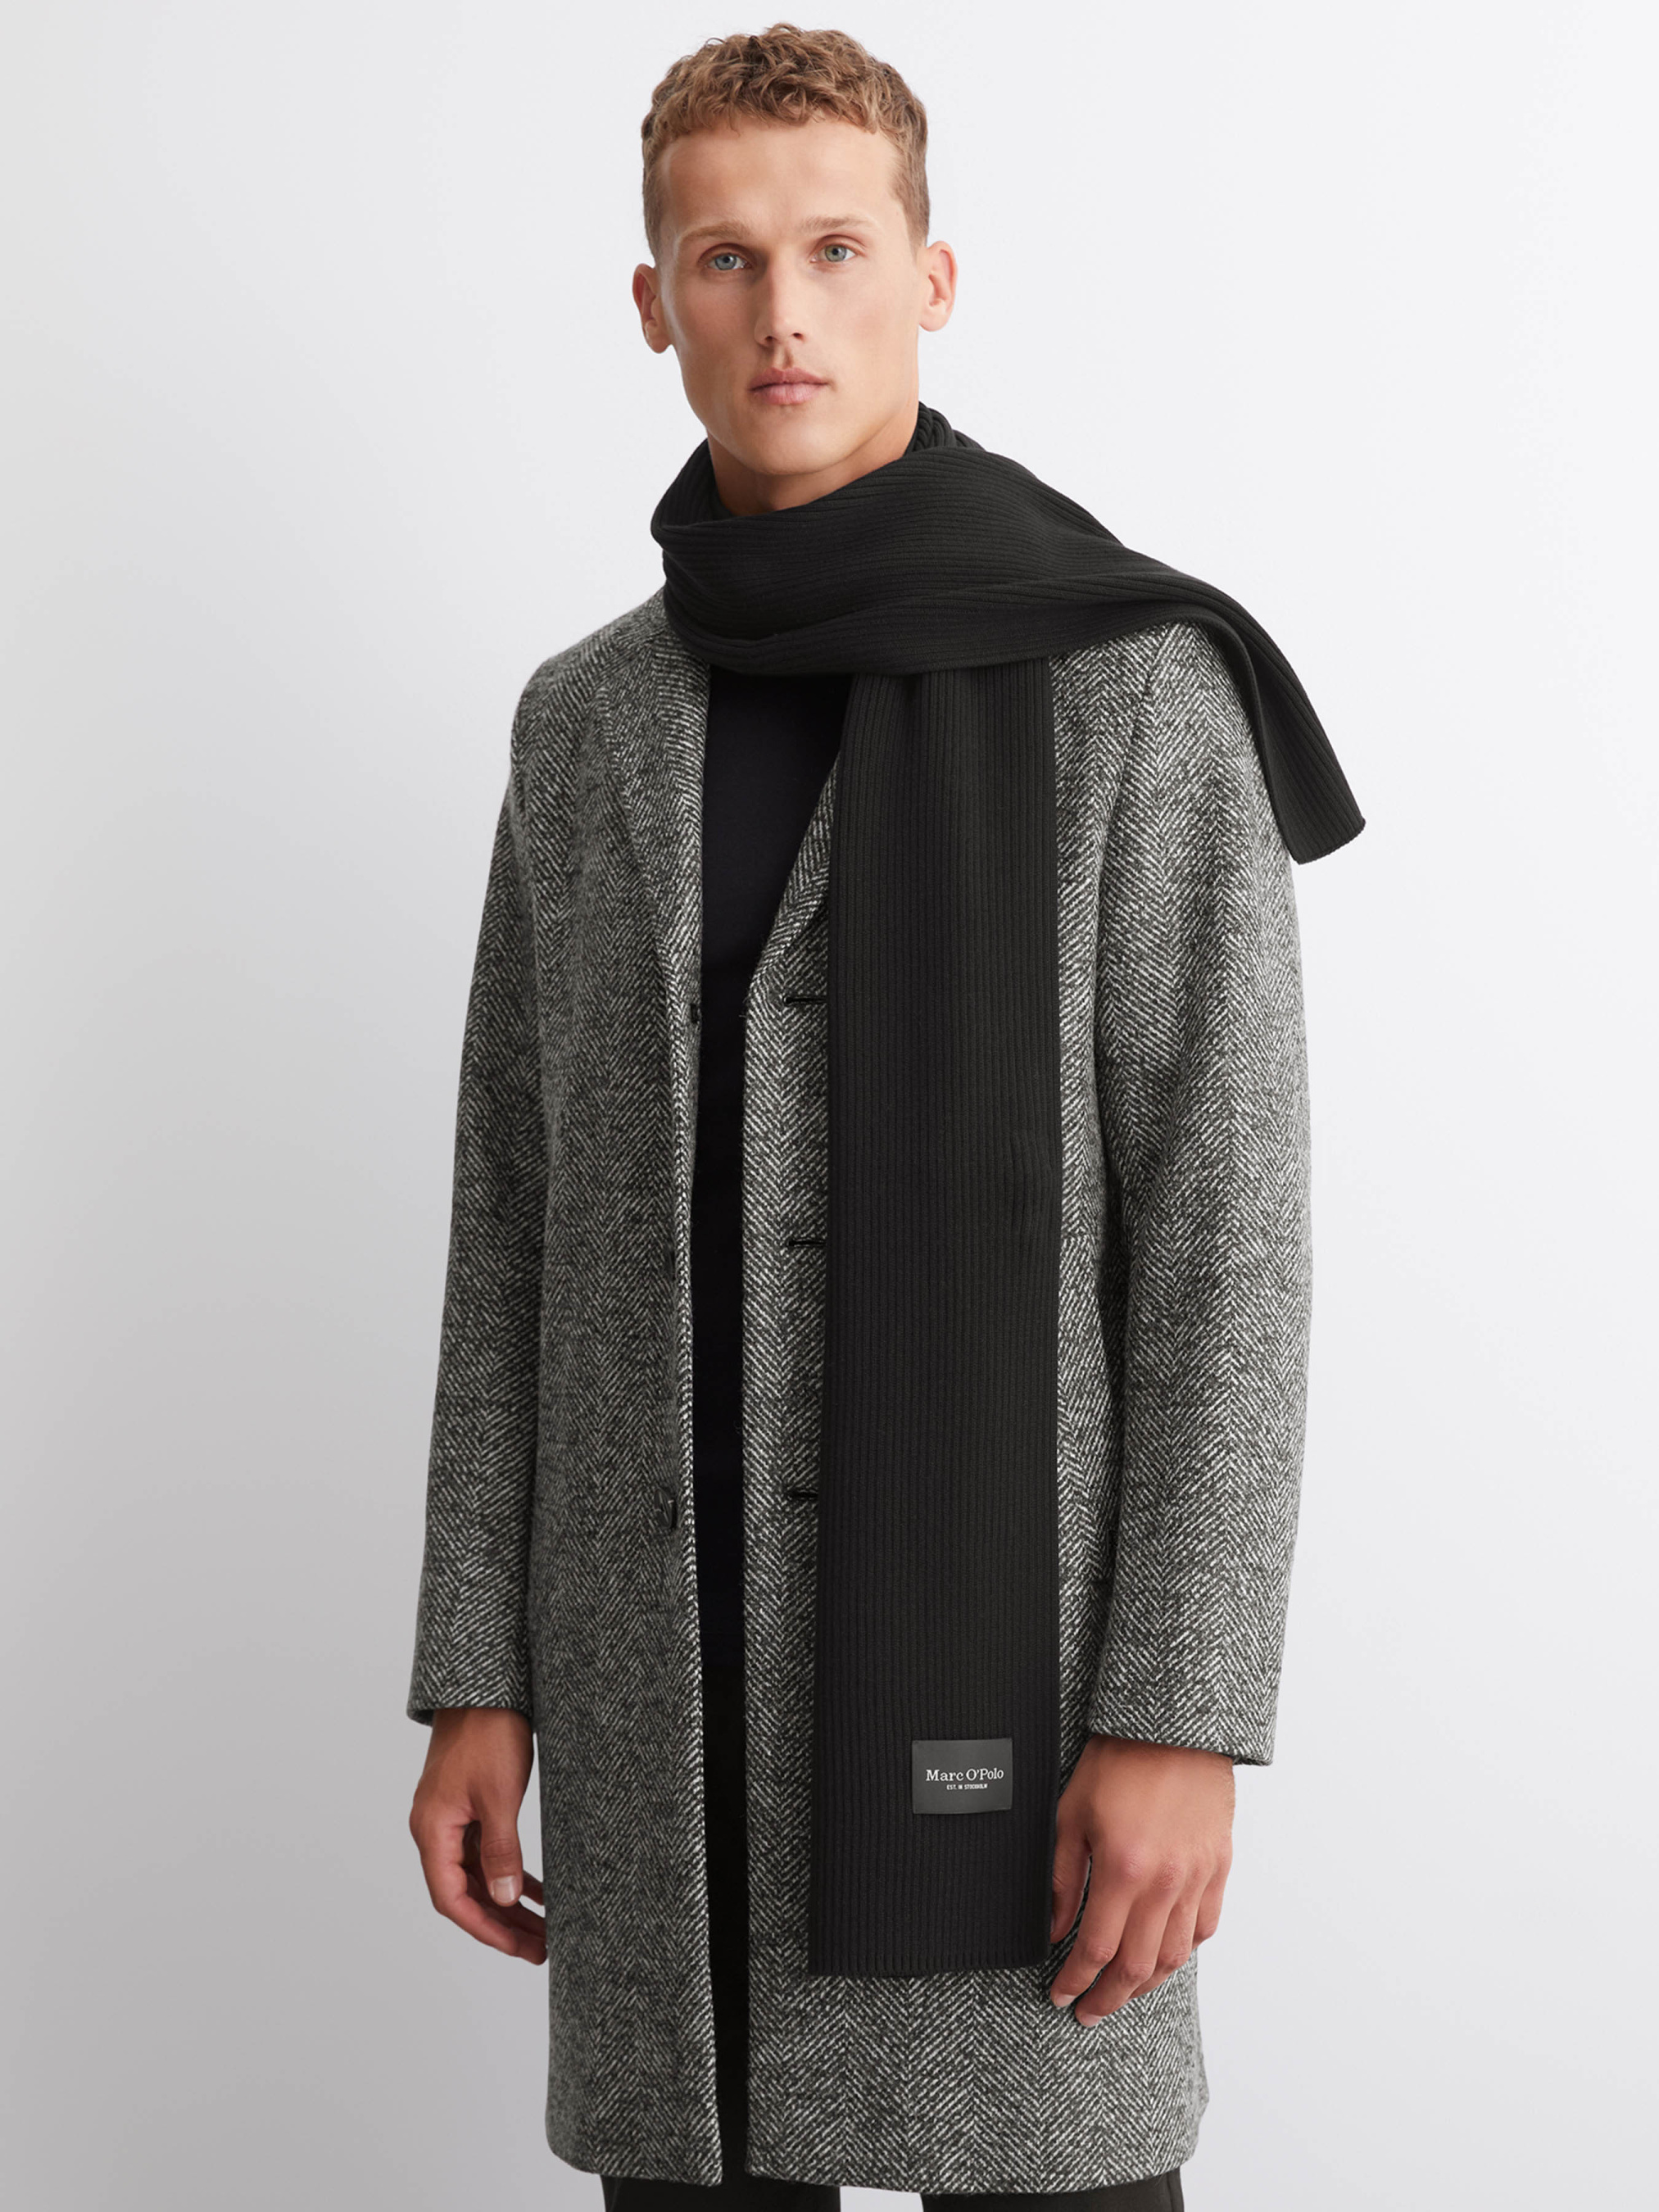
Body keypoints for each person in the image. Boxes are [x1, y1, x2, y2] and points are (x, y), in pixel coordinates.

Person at [406, 23, 1362, 2212]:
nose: (784, 311)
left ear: (932, 276)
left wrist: (1181, 1713)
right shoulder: (587, 723)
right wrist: (480, 1667)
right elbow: (516, 1208)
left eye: (837, 248)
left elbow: (1225, 1235)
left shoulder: (1132, 692)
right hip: (662, 1717)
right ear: (653, 302)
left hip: (1011, 1691)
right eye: (724, 258)